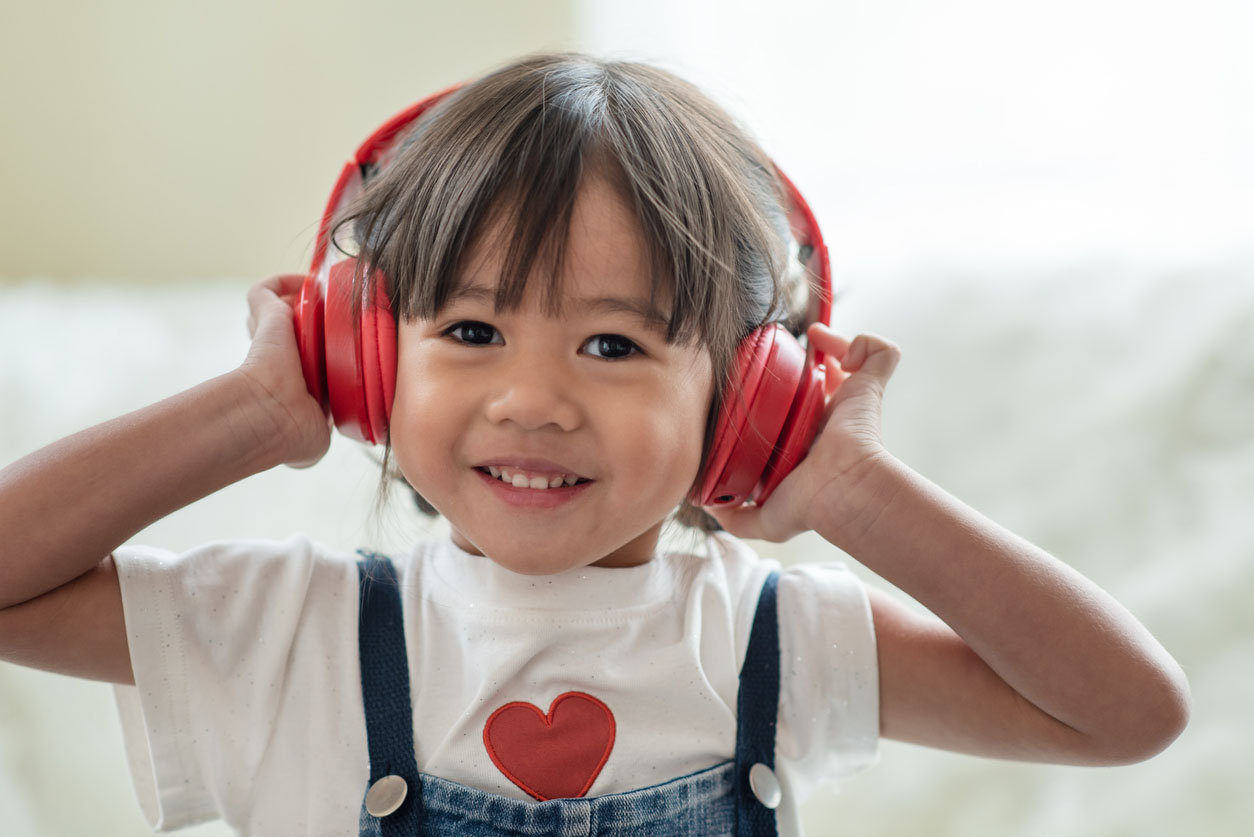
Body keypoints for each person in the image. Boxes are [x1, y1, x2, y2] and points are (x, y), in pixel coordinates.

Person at [0, 52, 1189, 837]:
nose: (532, 399)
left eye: (613, 347)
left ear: (744, 399)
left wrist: (853, 488)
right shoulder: (289, 635)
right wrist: (258, 408)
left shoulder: (771, 637)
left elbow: (1125, 712)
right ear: (366, 359)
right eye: (469, 329)